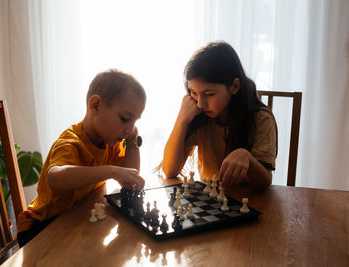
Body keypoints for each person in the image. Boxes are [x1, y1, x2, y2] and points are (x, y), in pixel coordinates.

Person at [17, 69, 146, 247]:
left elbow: (129, 177)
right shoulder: (71, 143)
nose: (130, 129)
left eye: (135, 122)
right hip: (42, 228)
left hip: (76, 217)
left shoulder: (110, 143)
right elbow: (55, 177)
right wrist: (112, 171)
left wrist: (132, 143)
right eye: (125, 119)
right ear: (95, 106)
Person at [162, 41, 277, 191]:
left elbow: (264, 182)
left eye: (209, 94)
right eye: (194, 92)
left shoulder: (261, 119)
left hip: (249, 200)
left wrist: (247, 158)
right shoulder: (201, 115)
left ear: (235, 86)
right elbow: (170, 170)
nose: (200, 103)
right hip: (211, 202)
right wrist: (181, 121)